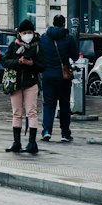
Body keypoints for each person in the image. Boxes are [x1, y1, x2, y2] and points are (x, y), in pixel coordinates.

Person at [3, 19, 44, 155]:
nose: (28, 35)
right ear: (19, 33)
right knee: (17, 113)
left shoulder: (38, 46)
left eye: (30, 32)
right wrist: (18, 62)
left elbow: (43, 66)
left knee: (31, 112)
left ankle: (32, 142)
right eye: (25, 32)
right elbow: (5, 61)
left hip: (31, 83)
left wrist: (31, 63)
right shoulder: (13, 46)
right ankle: (17, 142)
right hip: (15, 84)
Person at [39, 15, 78, 143]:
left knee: (49, 104)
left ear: (53, 23)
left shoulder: (44, 38)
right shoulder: (68, 38)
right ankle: (65, 133)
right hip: (63, 77)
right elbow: (75, 56)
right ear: (63, 24)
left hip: (47, 76)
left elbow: (40, 55)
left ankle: (46, 131)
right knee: (64, 104)